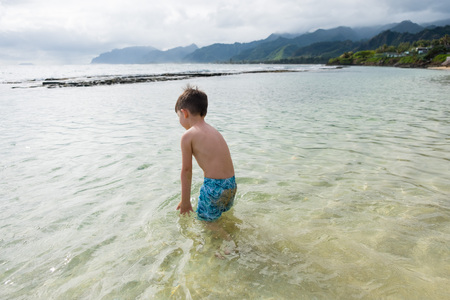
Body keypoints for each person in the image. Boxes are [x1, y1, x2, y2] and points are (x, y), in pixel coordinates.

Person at [175, 85, 236, 221]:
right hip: (231, 184)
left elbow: (186, 170)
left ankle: (235, 242)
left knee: (207, 225)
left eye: (178, 116)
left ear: (184, 113)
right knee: (222, 220)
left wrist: (185, 201)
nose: (179, 121)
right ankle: (236, 241)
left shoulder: (188, 136)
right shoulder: (214, 131)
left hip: (214, 187)